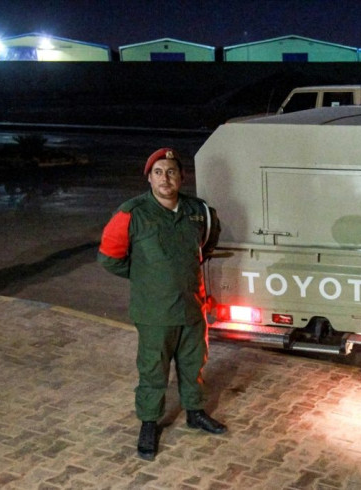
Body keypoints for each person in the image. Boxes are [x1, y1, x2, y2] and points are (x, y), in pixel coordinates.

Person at [98, 148, 225, 461]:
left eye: (171, 171)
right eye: (158, 172)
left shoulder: (199, 211)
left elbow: (208, 243)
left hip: (192, 307)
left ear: (181, 176)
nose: (165, 178)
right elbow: (109, 258)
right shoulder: (132, 212)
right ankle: (149, 423)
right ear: (149, 178)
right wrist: (145, 277)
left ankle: (195, 412)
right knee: (154, 369)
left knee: (193, 364)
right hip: (154, 312)